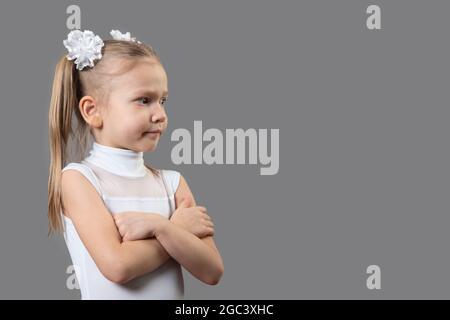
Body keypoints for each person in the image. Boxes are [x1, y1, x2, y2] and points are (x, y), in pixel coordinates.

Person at [47, 29, 224, 299]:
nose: (161, 114)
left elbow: (212, 271)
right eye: (144, 100)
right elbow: (118, 266)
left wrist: (161, 227)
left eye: (163, 100)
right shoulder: (79, 180)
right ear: (92, 111)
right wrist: (176, 231)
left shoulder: (172, 183)